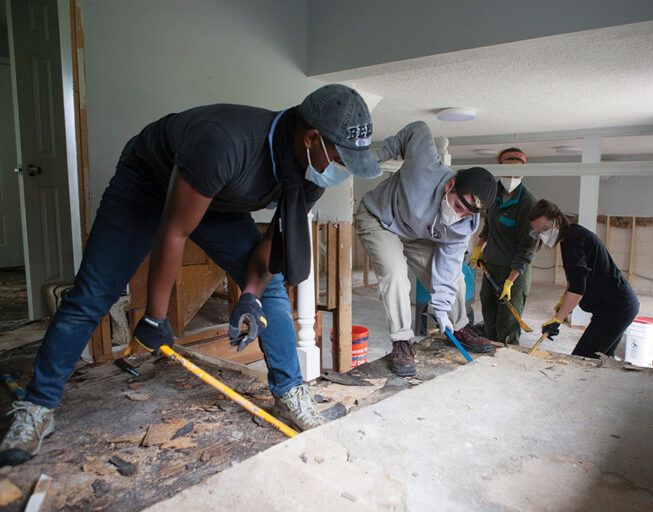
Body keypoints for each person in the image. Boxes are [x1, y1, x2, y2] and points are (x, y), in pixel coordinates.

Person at [0, 84, 381, 465]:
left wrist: (249, 294)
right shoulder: (226, 141)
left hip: (221, 200)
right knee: (95, 291)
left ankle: (290, 391)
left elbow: (274, 244)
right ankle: (38, 405)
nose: (343, 169)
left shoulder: (311, 171)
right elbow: (174, 231)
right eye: (342, 157)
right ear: (311, 137)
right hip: (146, 184)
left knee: (272, 287)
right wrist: (155, 315)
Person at [355, 121, 497, 377]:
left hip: (416, 231)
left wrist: (441, 309)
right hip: (381, 218)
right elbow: (417, 129)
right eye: (457, 205)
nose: (459, 215)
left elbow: (447, 266)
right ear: (449, 186)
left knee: (456, 278)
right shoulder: (424, 169)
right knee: (396, 274)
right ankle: (401, 341)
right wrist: (380, 155)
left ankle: (459, 325)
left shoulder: (465, 225)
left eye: (468, 213)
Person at [528, 199, 639, 358]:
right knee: (603, 358)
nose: (543, 235)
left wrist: (557, 320)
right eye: (539, 232)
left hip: (616, 308)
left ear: (558, 219)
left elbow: (578, 287)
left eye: (545, 229)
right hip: (615, 307)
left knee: (582, 358)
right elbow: (576, 278)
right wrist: (564, 301)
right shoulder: (570, 236)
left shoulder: (574, 241)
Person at [470, 147, 537, 345]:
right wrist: (478, 248)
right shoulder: (493, 195)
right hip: (491, 266)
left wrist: (510, 281)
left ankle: (507, 358)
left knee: (507, 323)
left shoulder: (528, 203)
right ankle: (490, 357)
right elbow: (489, 227)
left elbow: (527, 248)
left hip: (514, 271)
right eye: (507, 170)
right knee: (489, 313)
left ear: (524, 171)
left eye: (516, 171)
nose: (511, 175)